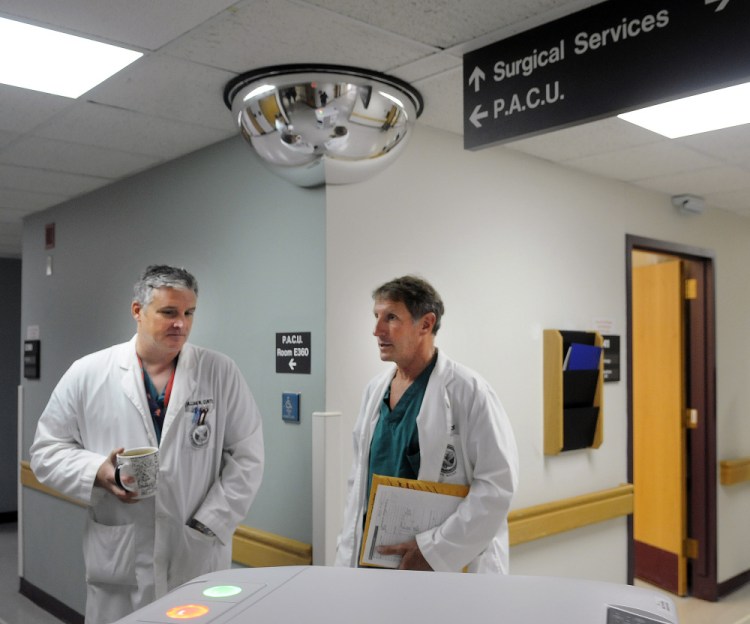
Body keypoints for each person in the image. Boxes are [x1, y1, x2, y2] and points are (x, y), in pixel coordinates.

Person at [30, 265, 264, 624]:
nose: (181, 324)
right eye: (169, 312)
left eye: (189, 313)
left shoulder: (219, 372)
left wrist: (208, 524)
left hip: (195, 550)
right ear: (137, 311)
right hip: (120, 557)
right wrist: (98, 471)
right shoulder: (88, 373)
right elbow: (46, 453)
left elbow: (247, 456)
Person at [335, 275, 519, 573]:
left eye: (391, 317)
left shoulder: (469, 392)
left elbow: (497, 486)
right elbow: (358, 486)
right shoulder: (374, 392)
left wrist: (434, 551)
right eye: (376, 317)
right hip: (373, 564)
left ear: (426, 324)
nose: (377, 330)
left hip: (443, 564)